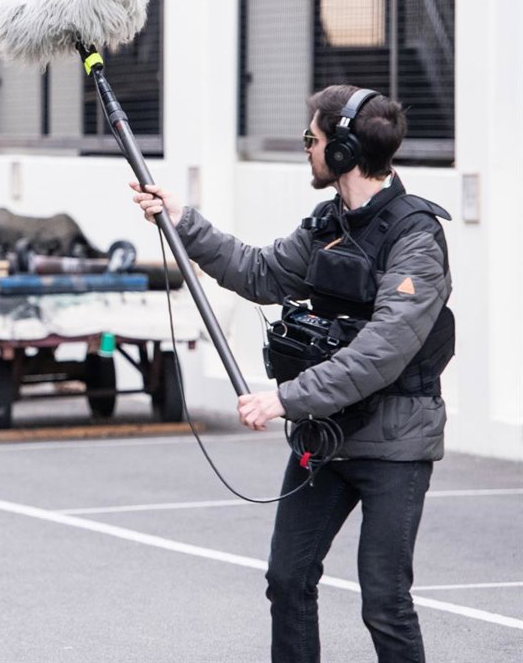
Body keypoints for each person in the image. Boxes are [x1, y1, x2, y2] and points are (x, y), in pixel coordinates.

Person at [131, 84, 454, 663]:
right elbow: (259, 273)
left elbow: (381, 350)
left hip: (395, 443)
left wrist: (284, 399)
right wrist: (182, 220)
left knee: (384, 601)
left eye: (312, 138)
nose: (306, 148)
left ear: (343, 151)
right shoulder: (329, 223)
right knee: (287, 580)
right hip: (326, 435)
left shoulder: (417, 237)